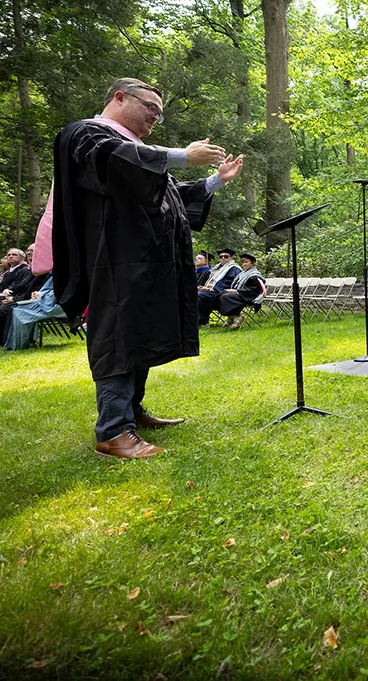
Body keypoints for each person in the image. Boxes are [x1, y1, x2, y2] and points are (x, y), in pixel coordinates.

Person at [52, 76, 243, 459]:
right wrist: (181, 155)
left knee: (138, 336)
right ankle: (112, 431)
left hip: (143, 263)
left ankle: (132, 413)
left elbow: (168, 195)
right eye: (150, 107)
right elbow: (115, 162)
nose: (156, 116)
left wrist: (213, 182)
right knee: (119, 338)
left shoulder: (136, 150)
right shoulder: (86, 135)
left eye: (160, 111)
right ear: (119, 98)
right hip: (113, 261)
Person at [217, 252, 265, 329]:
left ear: (253, 263)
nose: (244, 264)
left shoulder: (254, 275)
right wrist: (233, 290)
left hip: (249, 296)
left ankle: (236, 317)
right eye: (242, 262)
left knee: (225, 297)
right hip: (242, 294)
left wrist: (236, 291)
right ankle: (232, 316)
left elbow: (251, 290)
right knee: (219, 295)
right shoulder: (243, 273)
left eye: (246, 262)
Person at [198, 248, 241, 325]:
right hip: (213, 291)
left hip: (222, 292)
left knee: (199, 295)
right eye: (221, 257)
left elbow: (229, 284)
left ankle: (203, 322)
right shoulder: (217, 268)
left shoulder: (234, 269)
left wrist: (210, 289)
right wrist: (205, 288)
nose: (223, 258)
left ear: (231, 258)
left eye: (226, 256)